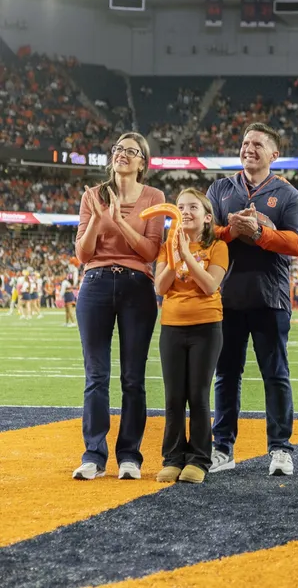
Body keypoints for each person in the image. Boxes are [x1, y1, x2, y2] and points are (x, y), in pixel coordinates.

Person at [207, 122, 298, 477]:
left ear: (274, 155)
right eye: (245, 143)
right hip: (227, 296)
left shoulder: (288, 194)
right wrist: (231, 230)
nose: (249, 148)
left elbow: (296, 244)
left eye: (257, 145)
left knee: (275, 374)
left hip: (270, 296)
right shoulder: (219, 188)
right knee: (226, 375)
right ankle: (222, 448)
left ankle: (280, 449)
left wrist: (260, 232)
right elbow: (205, 235)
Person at [72, 132, 165, 480]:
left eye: (131, 151)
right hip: (95, 284)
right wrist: (97, 217)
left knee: (133, 378)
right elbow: (83, 254)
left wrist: (120, 220)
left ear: (143, 162)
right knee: (96, 376)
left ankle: (129, 456)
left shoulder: (154, 196)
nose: (122, 154)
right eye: (118, 149)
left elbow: (150, 252)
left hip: (137, 286)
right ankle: (93, 455)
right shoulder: (92, 195)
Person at [153, 189, 229, 484]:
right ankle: (172, 458)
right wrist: (174, 255)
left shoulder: (218, 246)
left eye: (193, 207)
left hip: (206, 326)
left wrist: (186, 254)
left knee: (197, 395)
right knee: (174, 397)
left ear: (207, 217)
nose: (185, 212)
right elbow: (161, 287)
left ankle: (198, 459)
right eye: (180, 207)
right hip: (171, 326)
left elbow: (210, 285)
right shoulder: (166, 246)